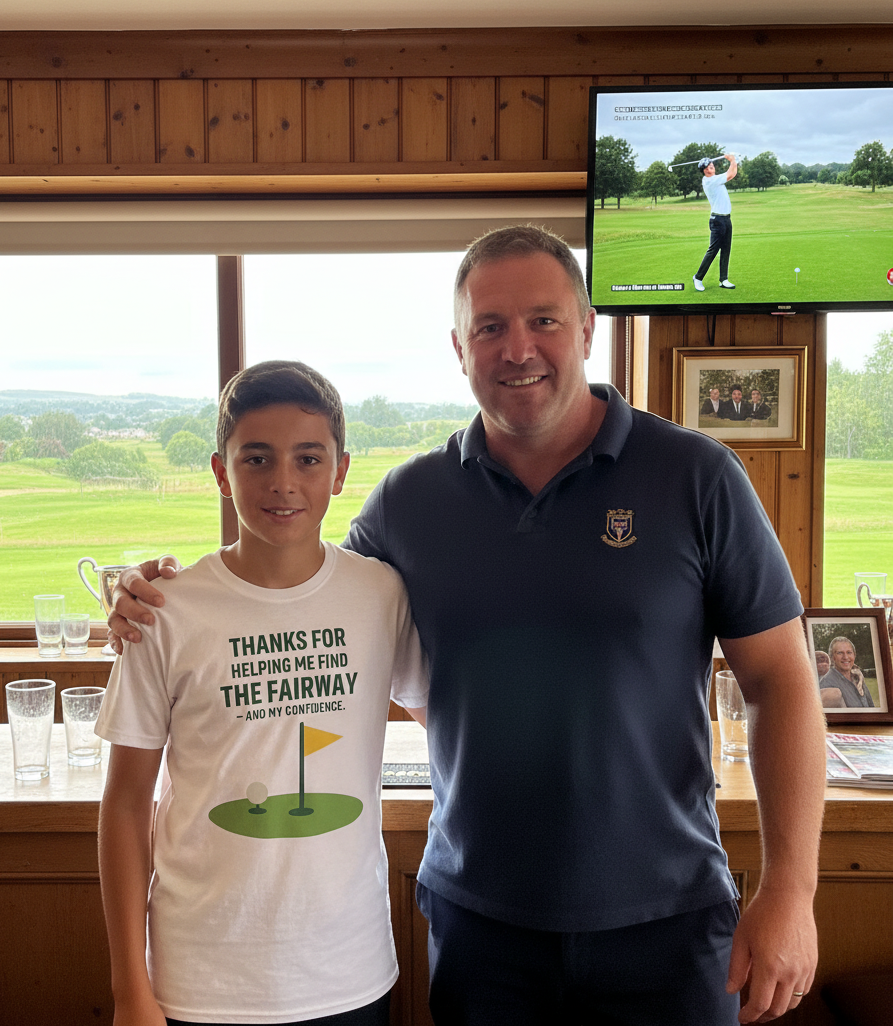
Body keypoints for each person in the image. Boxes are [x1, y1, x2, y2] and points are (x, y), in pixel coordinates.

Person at [109, 226, 826, 1026]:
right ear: (459, 347)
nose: (517, 348)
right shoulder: (408, 503)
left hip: (667, 923)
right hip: (480, 930)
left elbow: (782, 681)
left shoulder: (696, 476)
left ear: (587, 327)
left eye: (543, 321)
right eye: (490, 327)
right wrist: (151, 593)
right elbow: (299, 591)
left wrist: (791, 892)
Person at [97, 361, 428, 1026]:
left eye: (308, 458)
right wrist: (129, 989)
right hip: (200, 978)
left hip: (350, 970)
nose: (283, 482)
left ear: (339, 471)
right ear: (221, 471)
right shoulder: (163, 609)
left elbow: (449, 722)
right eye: (256, 459)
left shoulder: (381, 594)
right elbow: (126, 804)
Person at [693, 153, 738, 293]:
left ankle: (723, 279)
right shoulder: (710, 180)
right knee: (713, 251)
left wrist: (733, 161)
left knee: (726, 250)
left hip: (726, 219)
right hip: (717, 220)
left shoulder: (715, 179)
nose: (709, 168)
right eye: (707, 167)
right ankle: (698, 278)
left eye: (711, 166)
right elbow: (731, 174)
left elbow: (731, 173)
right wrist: (732, 160)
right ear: (704, 171)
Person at [819, 636, 874, 708]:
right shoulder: (827, 683)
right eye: (840, 653)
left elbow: (872, 707)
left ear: (854, 655)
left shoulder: (857, 677)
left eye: (849, 652)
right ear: (832, 657)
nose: (845, 657)